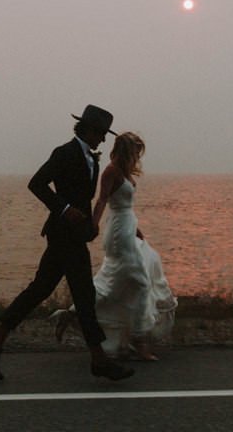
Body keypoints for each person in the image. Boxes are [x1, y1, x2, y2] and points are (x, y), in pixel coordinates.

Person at [0, 105, 134, 381]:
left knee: (40, 289)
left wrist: (88, 226)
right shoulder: (64, 153)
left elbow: (84, 201)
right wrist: (63, 210)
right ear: (89, 130)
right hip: (62, 236)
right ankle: (99, 360)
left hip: (74, 236)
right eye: (100, 133)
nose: (103, 139)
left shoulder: (92, 160)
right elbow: (36, 183)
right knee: (85, 296)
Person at [50, 131, 177, 360]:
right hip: (119, 232)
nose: (138, 155)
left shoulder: (125, 172)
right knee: (139, 283)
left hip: (129, 227)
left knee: (113, 282)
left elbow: (127, 206)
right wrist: (93, 226)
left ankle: (71, 314)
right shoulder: (111, 171)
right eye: (136, 150)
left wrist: (138, 231)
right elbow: (102, 200)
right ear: (126, 150)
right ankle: (140, 342)